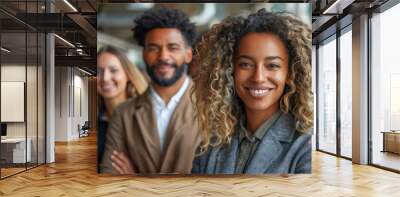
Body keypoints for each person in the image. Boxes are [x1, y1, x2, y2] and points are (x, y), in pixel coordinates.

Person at [191, 9, 313, 174]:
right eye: (245, 64)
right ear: (230, 70)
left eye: (272, 65)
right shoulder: (210, 146)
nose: (258, 77)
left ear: (290, 74)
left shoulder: (305, 147)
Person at [100, 7, 201, 174]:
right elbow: (109, 174)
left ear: (188, 54)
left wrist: (136, 178)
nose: (163, 56)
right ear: (144, 54)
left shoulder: (212, 109)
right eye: (154, 48)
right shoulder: (123, 114)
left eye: (173, 47)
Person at [97, 46, 148, 172]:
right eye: (98, 71)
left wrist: (133, 176)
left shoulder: (144, 116)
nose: (105, 78)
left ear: (127, 75)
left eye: (113, 70)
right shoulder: (95, 120)